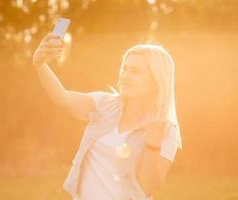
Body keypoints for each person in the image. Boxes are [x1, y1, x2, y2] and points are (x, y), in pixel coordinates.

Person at [33, 33, 183, 200]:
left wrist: (153, 142)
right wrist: (40, 65)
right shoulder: (104, 104)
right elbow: (62, 98)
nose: (125, 76)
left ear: (156, 81)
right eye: (124, 69)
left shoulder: (167, 130)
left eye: (135, 72)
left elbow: (147, 187)